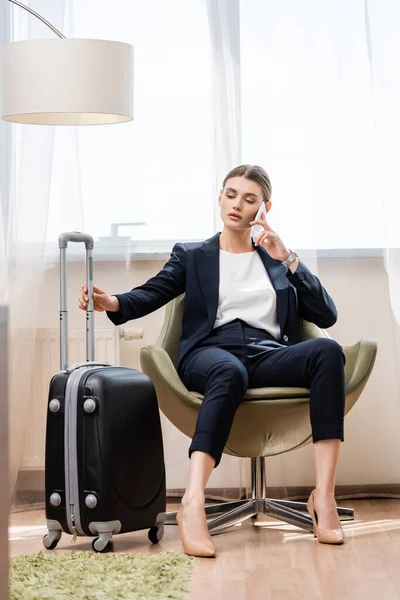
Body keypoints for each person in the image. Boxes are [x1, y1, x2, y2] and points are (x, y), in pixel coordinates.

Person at [79, 164, 346, 557]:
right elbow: (154, 292)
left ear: (265, 207)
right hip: (210, 352)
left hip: (266, 352)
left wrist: (287, 256)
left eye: (249, 199)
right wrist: (113, 302)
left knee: (327, 350)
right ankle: (193, 503)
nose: (238, 204)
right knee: (228, 370)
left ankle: (323, 497)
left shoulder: (275, 258)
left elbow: (326, 316)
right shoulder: (192, 255)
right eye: (231, 194)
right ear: (220, 197)